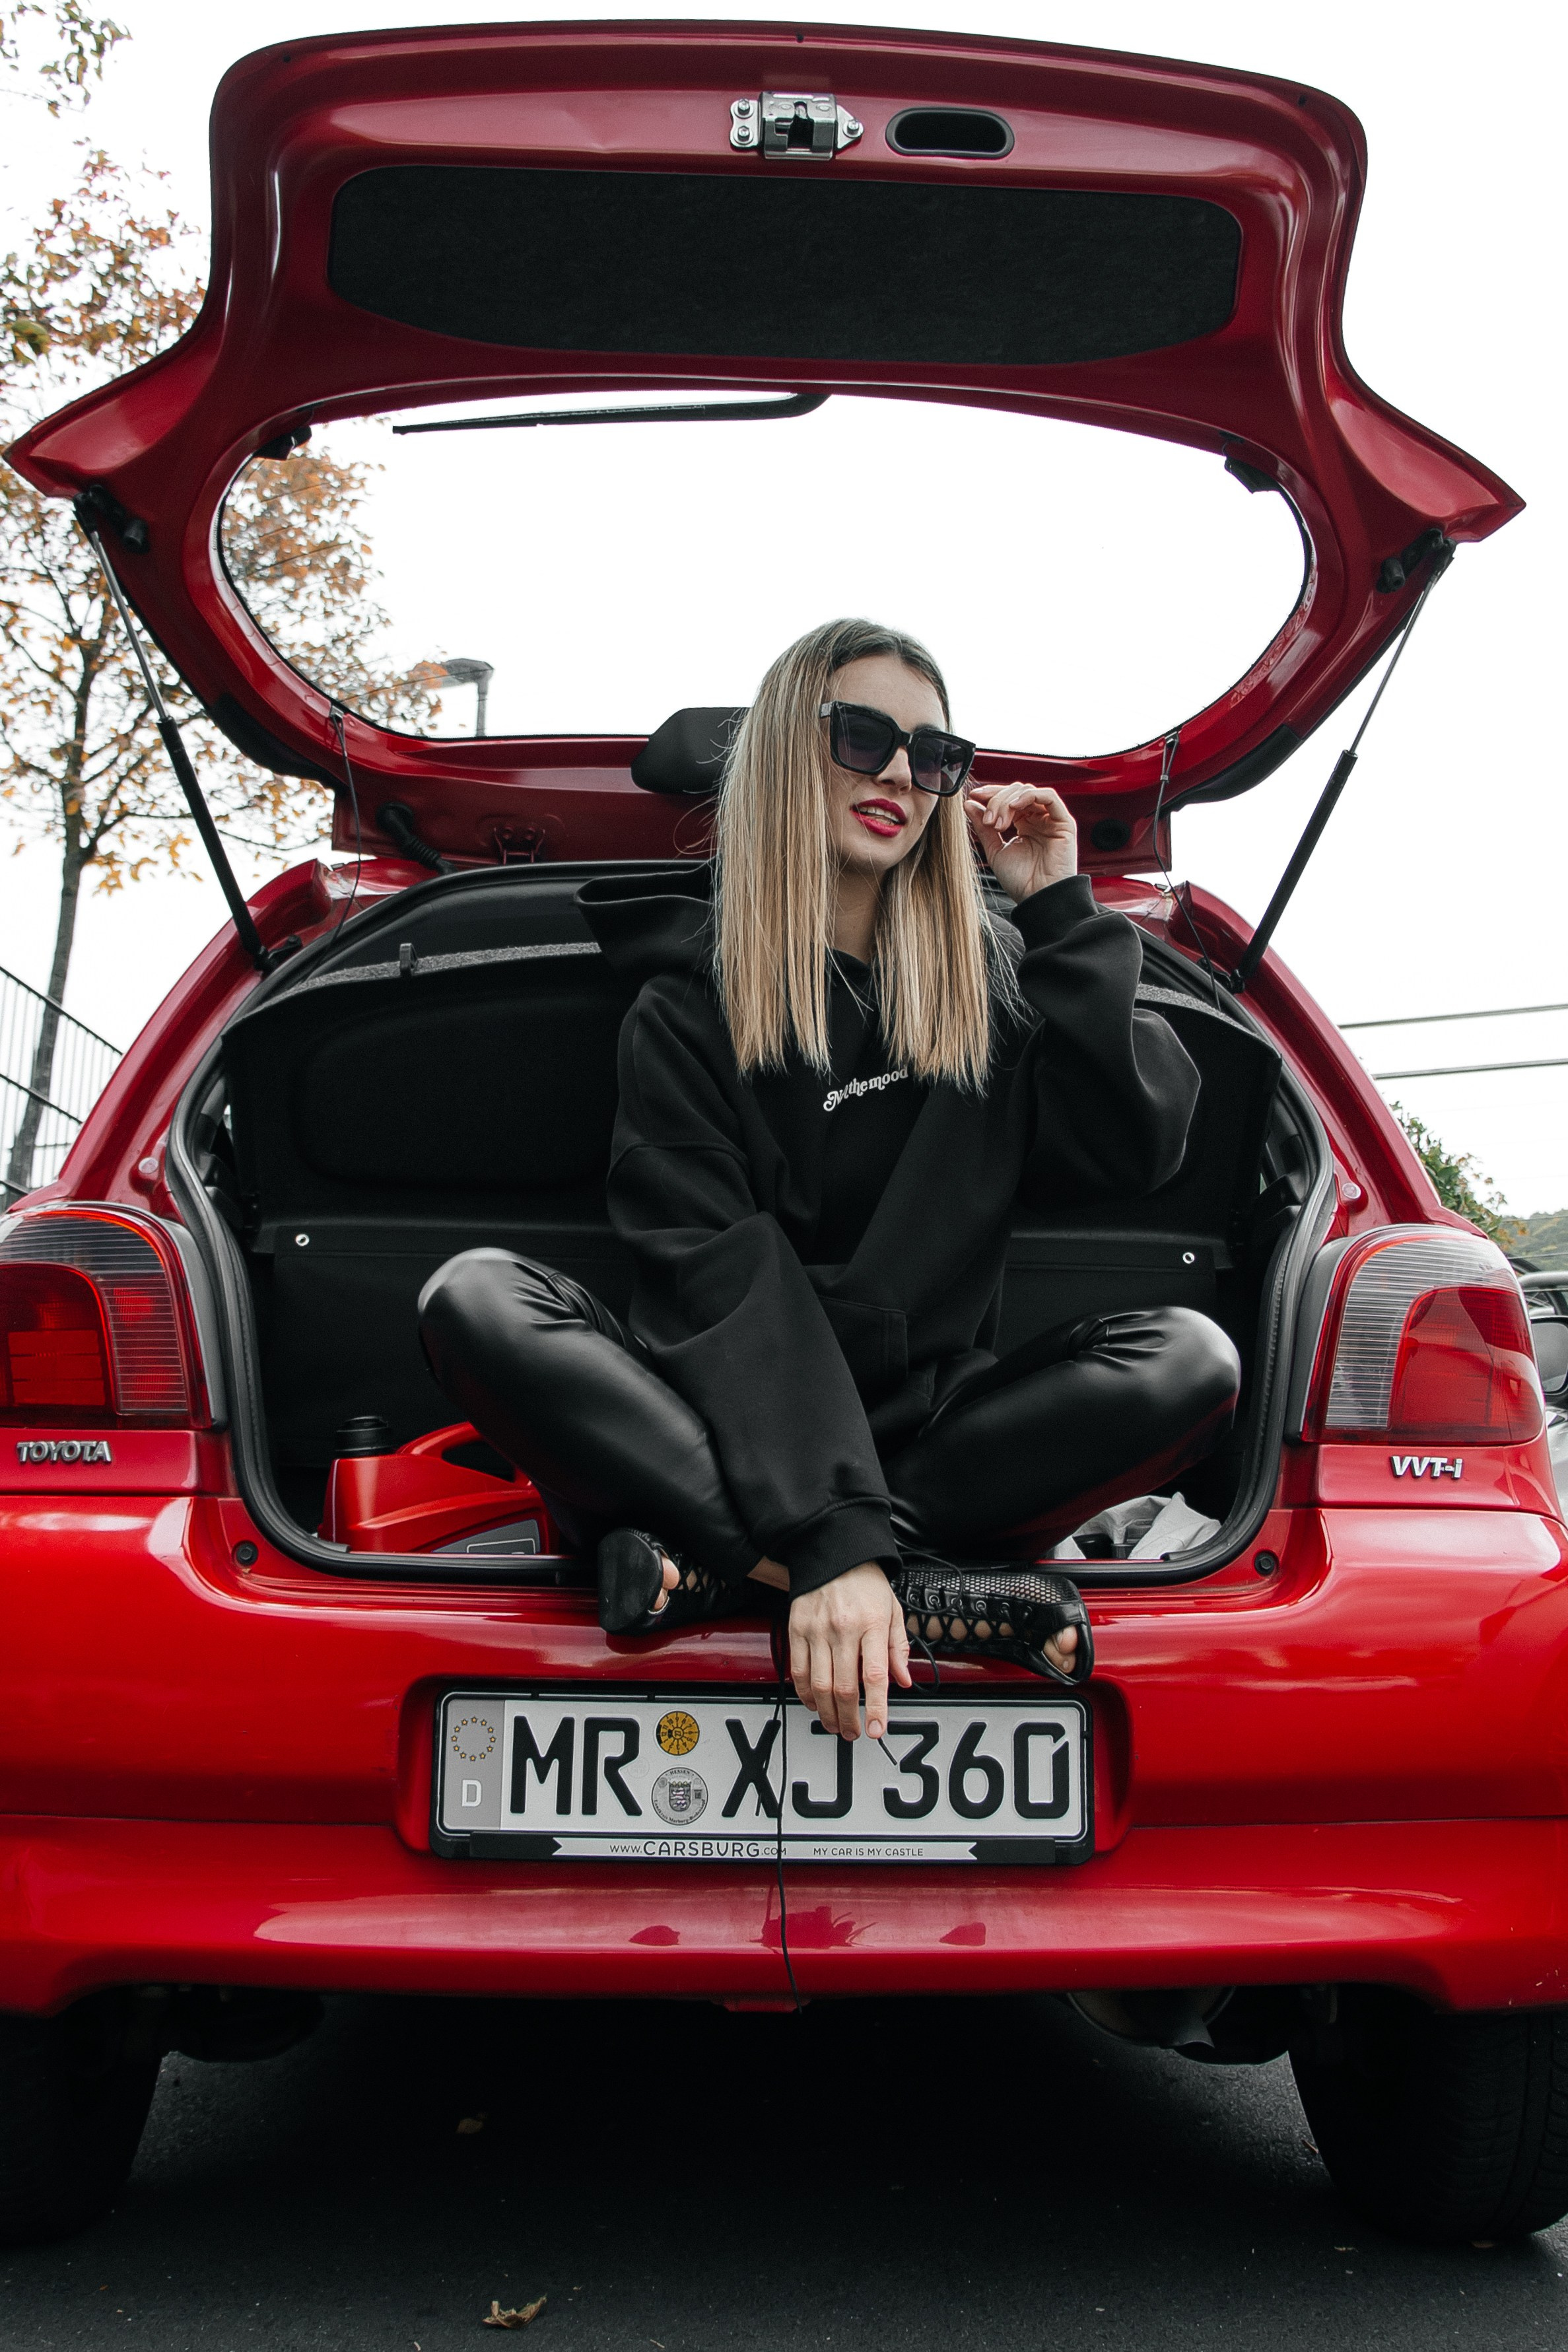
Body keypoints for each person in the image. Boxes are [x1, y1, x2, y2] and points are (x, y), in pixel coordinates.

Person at [419, 618, 1241, 1745]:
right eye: (862, 735)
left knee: (1190, 1358)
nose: (900, 772)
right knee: (477, 1298)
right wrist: (830, 1541)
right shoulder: (685, 1008)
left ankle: (727, 1574)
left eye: (934, 755)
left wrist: (1057, 905)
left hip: (923, 1442)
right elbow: (718, 1268)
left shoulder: (989, 1005)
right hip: (720, 1422)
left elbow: (1144, 1142)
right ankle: (896, 1585)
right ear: (782, 754)